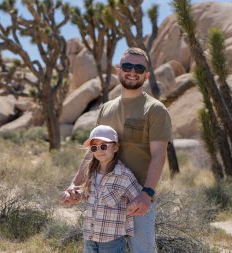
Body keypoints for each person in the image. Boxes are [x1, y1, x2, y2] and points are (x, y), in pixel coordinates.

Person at [61, 47, 172, 253]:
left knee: (142, 250)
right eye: (128, 66)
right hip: (105, 198)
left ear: (146, 75)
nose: (133, 72)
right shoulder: (106, 109)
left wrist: (147, 194)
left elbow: (159, 155)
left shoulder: (155, 110)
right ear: (118, 70)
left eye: (139, 68)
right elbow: (92, 151)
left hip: (136, 197)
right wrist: (75, 185)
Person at [62, 125, 141, 253]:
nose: (99, 150)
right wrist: (77, 195)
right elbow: (90, 194)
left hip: (112, 240)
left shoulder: (124, 175)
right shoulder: (91, 172)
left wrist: (134, 205)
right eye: (94, 147)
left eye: (104, 146)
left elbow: (138, 198)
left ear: (115, 147)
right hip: (90, 236)